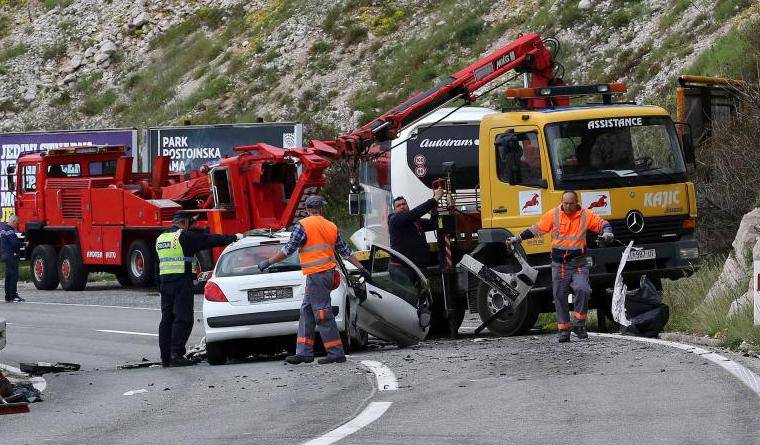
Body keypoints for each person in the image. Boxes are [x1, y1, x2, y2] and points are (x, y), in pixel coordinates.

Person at [258, 195, 370, 365]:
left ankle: (335, 352)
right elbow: (346, 251)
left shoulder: (303, 225)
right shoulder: (331, 226)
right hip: (326, 274)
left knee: (322, 314)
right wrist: (361, 268)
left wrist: (268, 262)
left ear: (306, 209)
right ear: (321, 209)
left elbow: (288, 250)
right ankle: (304, 352)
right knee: (307, 311)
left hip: (317, 275)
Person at [509, 190, 613, 343]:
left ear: (576, 203)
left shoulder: (585, 215)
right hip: (560, 264)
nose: (568, 206)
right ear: (562, 202)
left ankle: (578, 324)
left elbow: (602, 223)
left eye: (571, 204)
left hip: (578, 262)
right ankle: (564, 330)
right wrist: (518, 238)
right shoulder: (554, 214)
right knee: (559, 295)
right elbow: (537, 229)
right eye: (565, 203)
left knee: (582, 289)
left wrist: (608, 232)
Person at [156, 212, 241, 367]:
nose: (190, 227)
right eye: (189, 224)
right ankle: (176, 354)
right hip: (181, 282)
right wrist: (234, 237)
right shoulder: (184, 237)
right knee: (183, 318)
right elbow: (209, 240)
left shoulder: (161, 238)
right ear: (183, 223)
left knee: (167, 319)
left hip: (165, 283)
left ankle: (166, 357)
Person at [387, 187, 443, 324]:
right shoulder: (395, 220)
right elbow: (414, 214)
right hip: (401, 268)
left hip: (414, 268)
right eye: (398, 205)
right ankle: (406, 328)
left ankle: (417, 326)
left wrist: (434, 211)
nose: (402, 207)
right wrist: (434, 199)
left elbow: (432, 224)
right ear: (394, 210)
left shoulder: (414, 222)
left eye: (404, 204)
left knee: (421, 298)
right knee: (408, 300)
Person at [1, 215, 23, 303]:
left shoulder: (3, 230)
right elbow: (15, 244)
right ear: (13, 221)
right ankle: (13, 296)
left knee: (8, 276)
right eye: (16, 224)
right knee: (13, 276)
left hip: (6, 255)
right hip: (12, 256)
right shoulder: (9, 231)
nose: (16, 226)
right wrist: (24, 244)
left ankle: (8, 296)